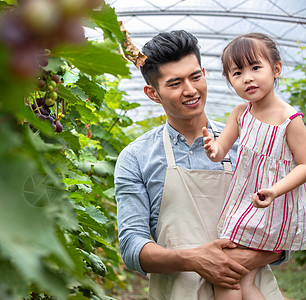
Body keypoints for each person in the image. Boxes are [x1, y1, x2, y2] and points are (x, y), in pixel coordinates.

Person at [114, 29, 286, 300]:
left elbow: (281, 227)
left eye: (196, 77)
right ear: (153, 93)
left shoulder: (248, 142)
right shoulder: (136, 157)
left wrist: (233, 264)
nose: (191, 90)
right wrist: (193, 259)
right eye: (175, 83)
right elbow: (133, 247)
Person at [202, 32, 306, 300]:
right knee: (241, 281)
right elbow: (221, 149)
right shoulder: (240, 113)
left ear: (276, 69)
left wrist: (274, 191)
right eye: (237, 73)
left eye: (255, 68)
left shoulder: (290, 119)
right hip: (245, 204)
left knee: (225, 269)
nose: (247, 77)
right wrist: (213, 150)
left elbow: (305, 164)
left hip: (272, 209)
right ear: (229, 81)